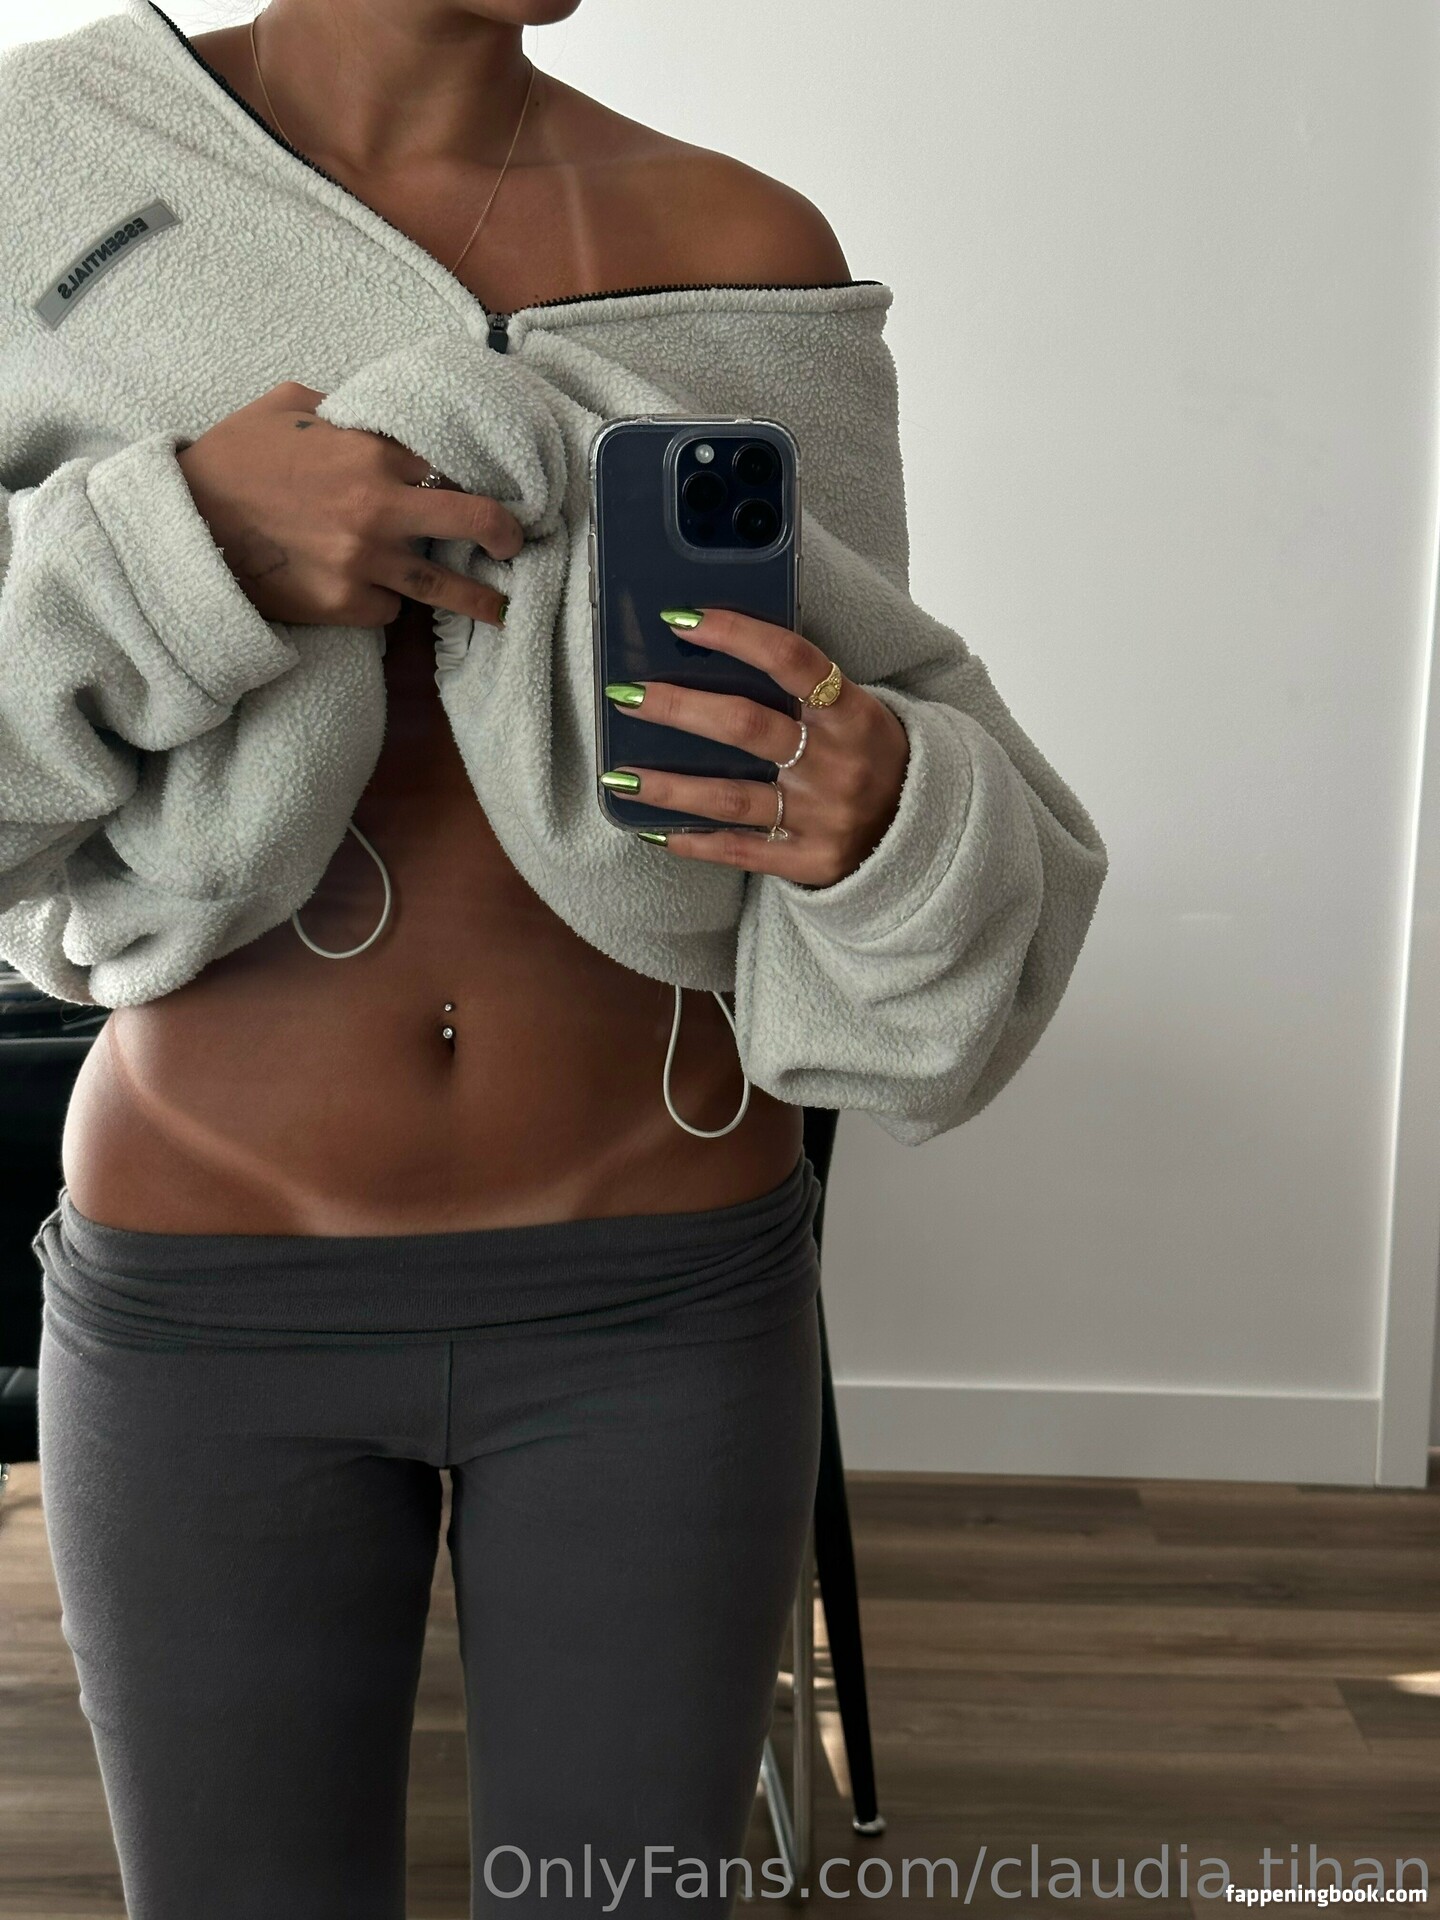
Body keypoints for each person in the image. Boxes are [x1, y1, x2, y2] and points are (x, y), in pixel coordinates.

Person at [1, 0, 1109, 1912]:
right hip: (203, 1296)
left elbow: (890, 705)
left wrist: (883, 807)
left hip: (659, 1295)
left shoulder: (747, 249)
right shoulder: (52, 168)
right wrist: (179, 552)